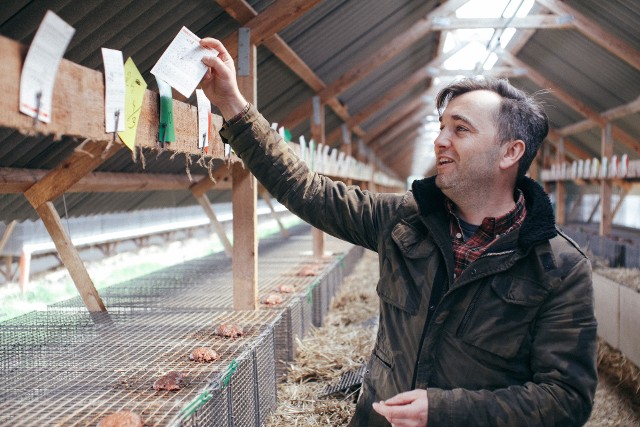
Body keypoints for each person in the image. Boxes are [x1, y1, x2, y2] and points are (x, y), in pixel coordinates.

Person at [199, 37, 598, 426]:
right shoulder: (406, 220)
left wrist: (443, 412)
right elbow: (308, 191)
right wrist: (234, 105)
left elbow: (565, 400)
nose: (440, 140)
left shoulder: (557, 267)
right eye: (442, 127)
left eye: (460, 130)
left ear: (510, 152)